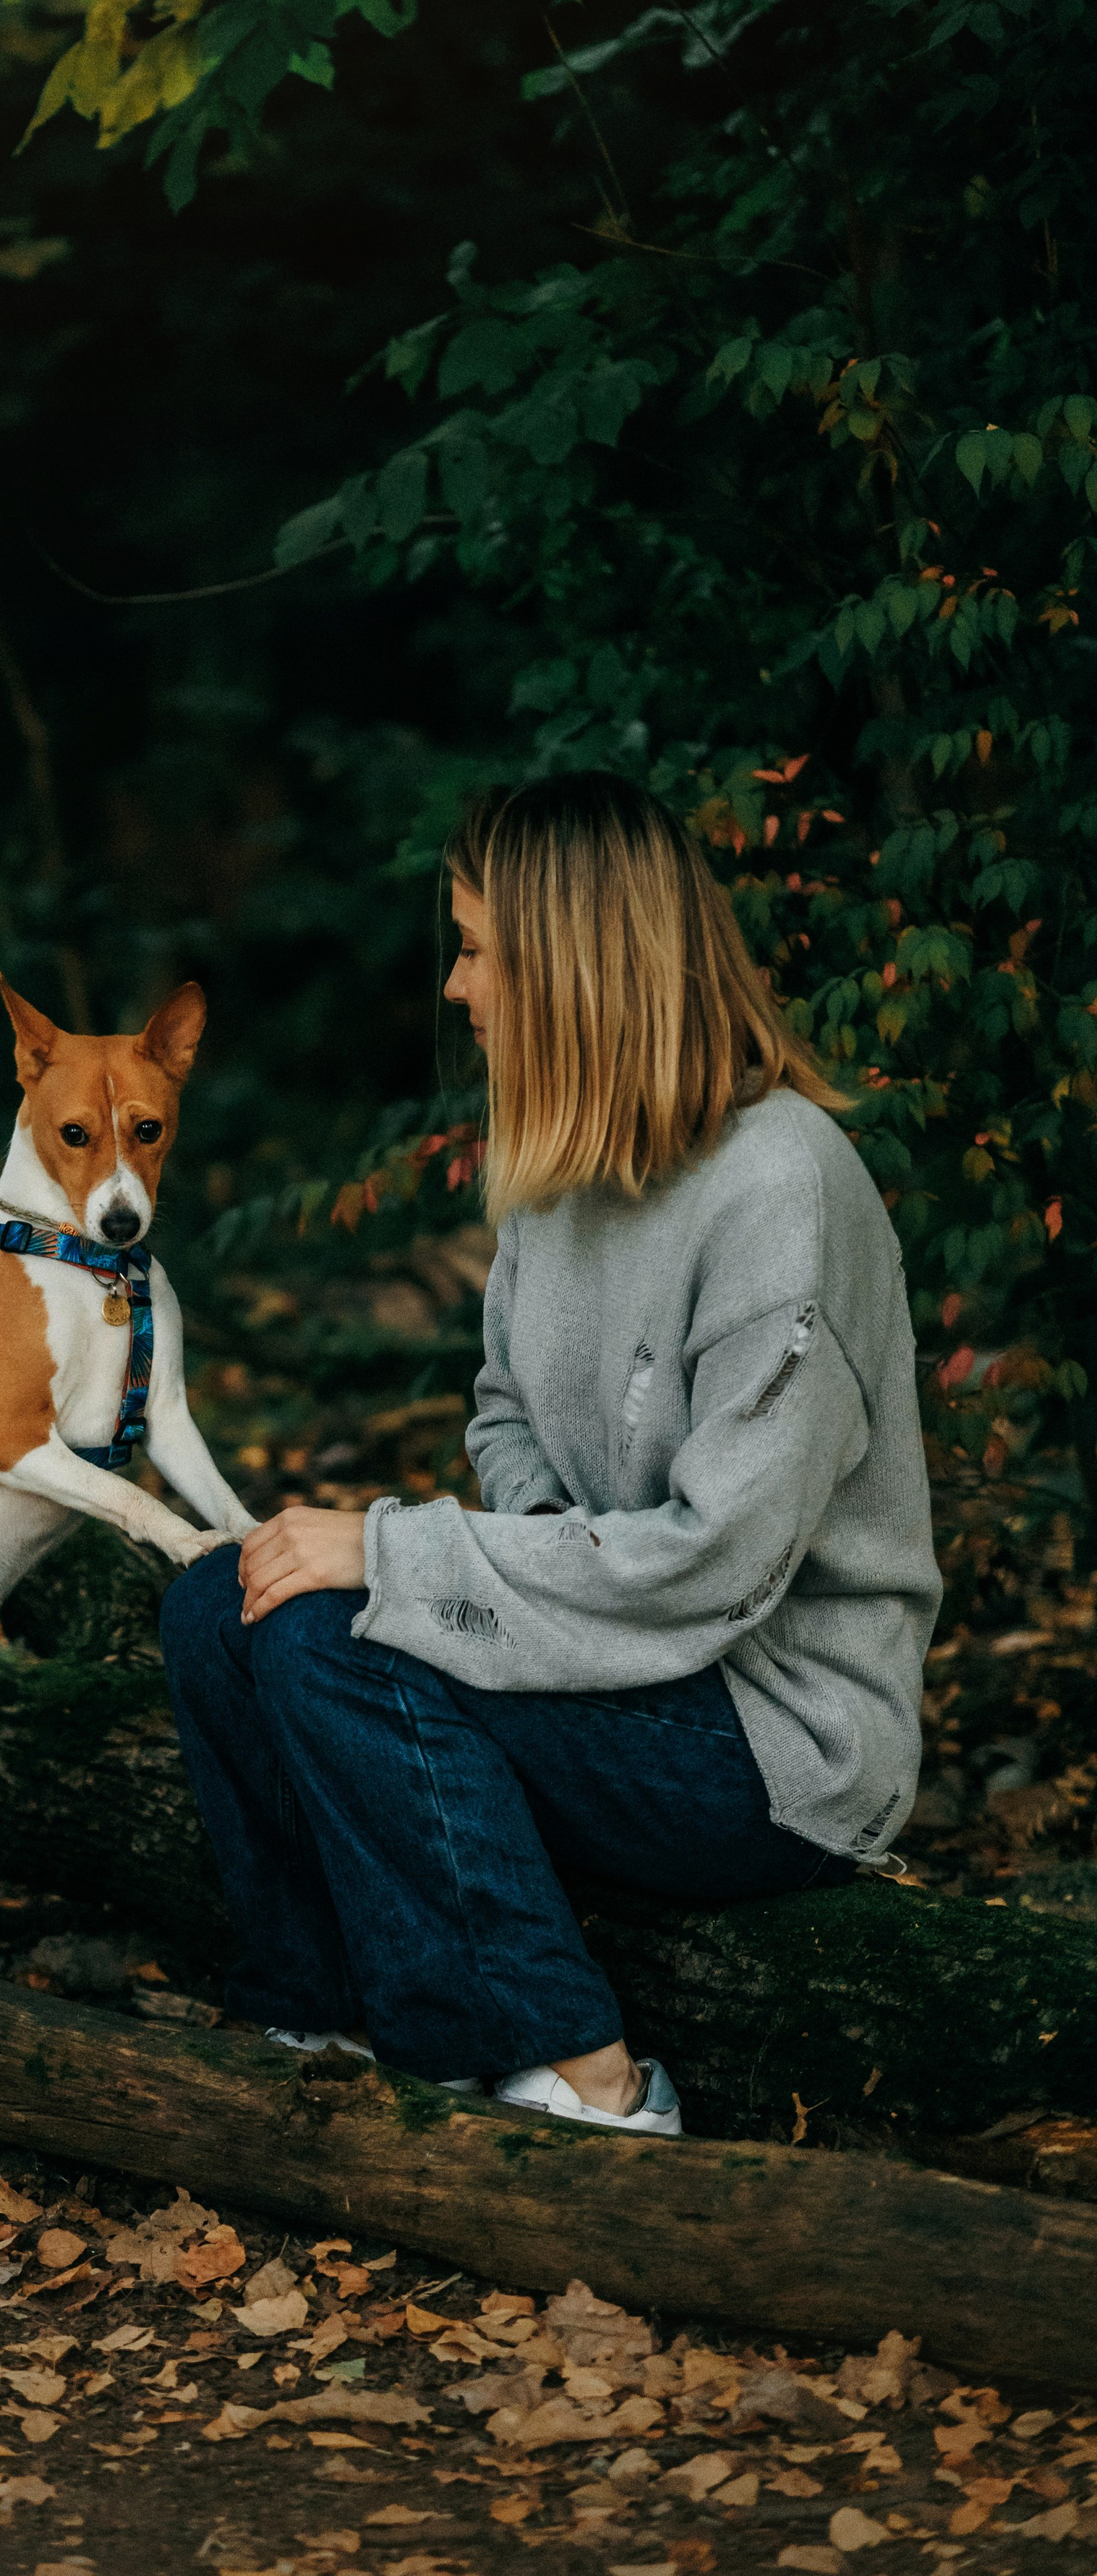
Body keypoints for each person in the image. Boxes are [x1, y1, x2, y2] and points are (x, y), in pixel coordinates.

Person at [158, 770, 942, 2135]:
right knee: (217, 1607)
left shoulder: (781, 1187)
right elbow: (504, 1412)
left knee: (327, 1635)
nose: (456, 988)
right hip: (621, 1661)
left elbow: (715, 1560)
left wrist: (412, 1558)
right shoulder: (566, 1164)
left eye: (473, 949)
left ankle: (589, 2076)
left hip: (772, 1738)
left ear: (573, 962)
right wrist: (523, 1572)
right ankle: (325, 2023)